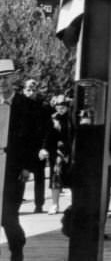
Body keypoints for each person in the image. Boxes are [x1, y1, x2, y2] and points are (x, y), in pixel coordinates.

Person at [2, 64, 47, 261]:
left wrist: (28, 166)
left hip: (14, 167)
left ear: (13, 79)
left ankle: (16, 250)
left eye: (5, 78)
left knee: (8, 215)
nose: (1, 83)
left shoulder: (27, 106)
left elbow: (34, 139)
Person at [21, 79, 49, 214]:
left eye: (33, 90)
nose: (31, 92)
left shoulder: (42, 106)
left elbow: (46, 129)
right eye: (28, 89)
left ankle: (39, 204)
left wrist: (44, 147)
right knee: (19, 176)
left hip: (37, 146)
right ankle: (17, 202)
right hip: (22, 147)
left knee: (39, 177)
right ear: (23, 90)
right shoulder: (18, 105)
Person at [45, 95, 73, 214]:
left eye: (63, 107)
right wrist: (47, 149)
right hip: (57, 151)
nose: (60, 109)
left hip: (71, 151)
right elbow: (47, 136)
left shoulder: (72, 118)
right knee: (56, 177)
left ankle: (73, 204)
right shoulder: (52, 119)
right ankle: (54, 204)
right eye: (58, 107)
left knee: (72, 177)